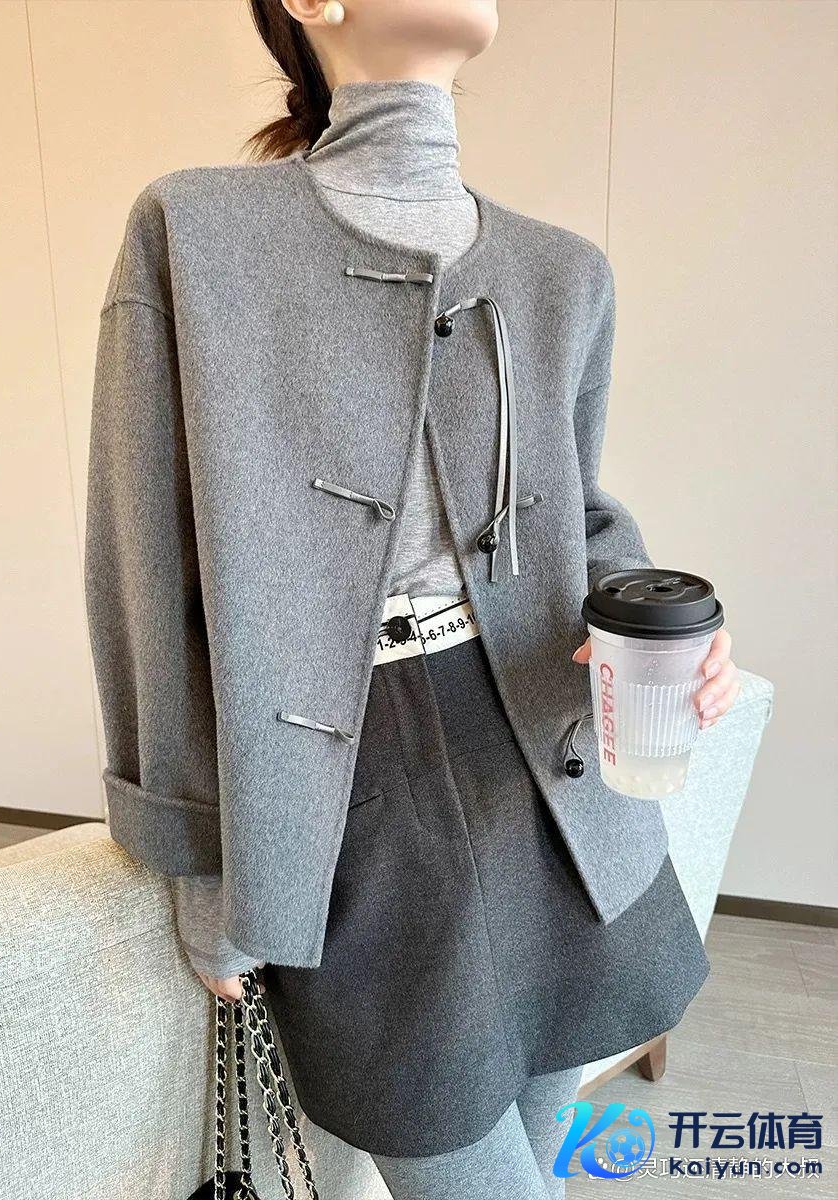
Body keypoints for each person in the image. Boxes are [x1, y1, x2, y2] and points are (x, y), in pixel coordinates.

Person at [84, 2, 740, 1195]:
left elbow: (577, 519)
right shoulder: (194, 234)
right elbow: (143, 565)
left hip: (555, 771)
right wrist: (197, 854)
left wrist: (666, 621)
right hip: (350, 793)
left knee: (537, 1159)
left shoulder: (562, 272)